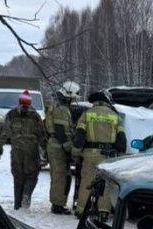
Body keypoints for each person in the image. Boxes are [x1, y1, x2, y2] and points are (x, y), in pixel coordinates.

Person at [73, 90, 126, 219]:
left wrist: (75, 153)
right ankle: (103, 212)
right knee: (106, 184)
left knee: (87, 181)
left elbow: (79, 136)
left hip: (91, 154)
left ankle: (81, 211)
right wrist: (121, 154)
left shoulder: (87, 114)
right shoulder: (115, 116)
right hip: (109, 157)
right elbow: (121, 139)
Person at [0, 90, 47, 210]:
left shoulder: (11, 114)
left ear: (19, 102)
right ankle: (26, 195)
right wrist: (45, 149)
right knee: (32, 175)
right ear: (30, 103)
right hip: (31, 150)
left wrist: (0, 146)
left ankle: (17, 204)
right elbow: (41, 134)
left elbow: (4, 132)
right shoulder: (35, 116)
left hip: (16, 150)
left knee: (18, 177)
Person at [45, 81, 81, 215]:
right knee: (60, 177)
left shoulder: (58, 107)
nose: (73, 101)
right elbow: (62, 132)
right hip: (58, 147)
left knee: (63, 176)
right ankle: (57, 205)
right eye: (73, 98)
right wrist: (71, 150)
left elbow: (65, 128)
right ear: (68, 96)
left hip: (56, 146)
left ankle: (59, 203)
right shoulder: (61, 110)